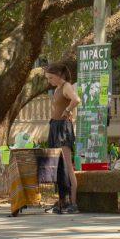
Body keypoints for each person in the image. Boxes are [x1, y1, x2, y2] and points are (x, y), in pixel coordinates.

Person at [45, 62, 80, 214]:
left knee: (67, 166)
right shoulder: (58, 88)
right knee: (58, 166)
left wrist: (67, 110)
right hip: (54, 126)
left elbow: (76, 100)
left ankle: (73, 203)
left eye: (51, 77)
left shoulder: (66, 86)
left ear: (59, 75)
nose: (49, 81)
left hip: (62, 128)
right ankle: (62, 201)